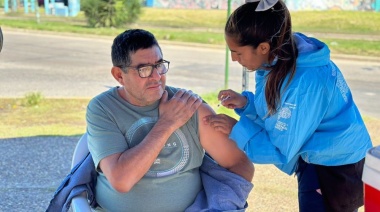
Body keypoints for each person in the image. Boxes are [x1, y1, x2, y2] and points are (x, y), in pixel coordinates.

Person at [203, 0, 373, 211]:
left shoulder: (302, 81)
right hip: (327, 157)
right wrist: (248, 104)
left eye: (238, 53)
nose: (234, 59)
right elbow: (282, 113)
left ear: (263, 47)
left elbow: (280, 148)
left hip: (334, 168)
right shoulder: (280, 57)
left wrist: (236, 129)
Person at [85, 28, 254, 212]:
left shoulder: (189, 105)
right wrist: (168, 123)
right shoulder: (103, 108)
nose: (157, 77)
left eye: (159, 65)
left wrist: (220, 204)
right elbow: (122, 180)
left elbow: (240, 164)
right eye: (144, 70)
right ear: (119, 75)